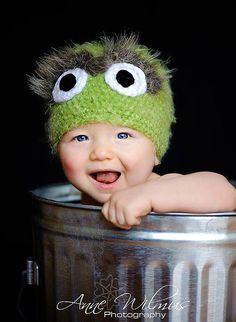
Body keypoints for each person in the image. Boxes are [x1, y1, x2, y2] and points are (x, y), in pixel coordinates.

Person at [29, 34, 236, 229]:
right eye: (80, 138)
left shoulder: (161, 186)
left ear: (155, 151)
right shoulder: (74, 204)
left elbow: (225, 192)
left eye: (122, 135)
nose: (101, 153)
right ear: (57, 149)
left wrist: (148, 196)